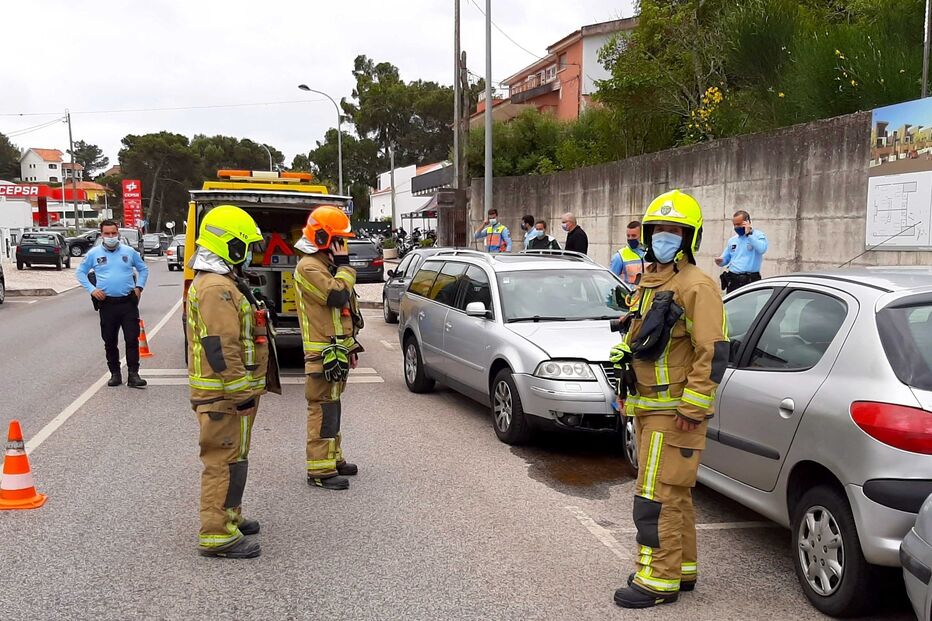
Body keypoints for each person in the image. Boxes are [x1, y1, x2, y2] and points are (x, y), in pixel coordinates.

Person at [609, 190, 728, 609]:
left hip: (673, 412)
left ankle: (658, 580)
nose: (663, 237)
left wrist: (693, 408)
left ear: (689, 237)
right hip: (650, 408)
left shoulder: (697, 286)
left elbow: (712, 353)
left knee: (655, 494)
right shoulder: (654, 279)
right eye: (658, 229)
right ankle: (681, 568)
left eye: (674, 231)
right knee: (675, 494)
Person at [186, 205, 271, 559]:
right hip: (222, 393)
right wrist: (239, 390)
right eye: (246, 246)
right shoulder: (214, 287)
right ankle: (217, 534)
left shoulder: (226, 284)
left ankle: (230, 515)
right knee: (221, 460)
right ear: (230, 246)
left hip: (232, 392)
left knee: (235, 457)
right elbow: (220, 344)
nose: (250, 253)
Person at [294, 206, 364, 491]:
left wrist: (351, 347)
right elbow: (336, 296)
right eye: (339, 240)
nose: (343, 245)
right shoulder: (309, 266)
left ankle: (333, 458)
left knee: (332, 408)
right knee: (322, 409)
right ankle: (319, 471)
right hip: (322, 353)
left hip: (336, 351)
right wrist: (346, 266)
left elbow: (344, 313)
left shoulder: (325, 266)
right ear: (324, 238)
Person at [76, 219, 150, 389]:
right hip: (107, 304)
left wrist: (139, 287)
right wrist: (92, 289)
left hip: (128, 302)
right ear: (101, 234)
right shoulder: (94, 254)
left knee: (132, 338)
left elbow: (143, 269)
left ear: (118, 233)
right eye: (107, 233)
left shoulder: (129, 252)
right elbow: (80, 272)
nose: (110, 236)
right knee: (110, 340)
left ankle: (133, 374)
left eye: (113, 233)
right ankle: (115, 373)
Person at [715, 210, 768, 293]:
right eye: (734, 225)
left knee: (750, 305)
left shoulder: (758, 236)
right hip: (733, 280)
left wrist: (749, 235)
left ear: (747, 222)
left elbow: (762, 249)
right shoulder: (733, 240)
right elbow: (725, 258)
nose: (736, 227)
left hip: (750, 280)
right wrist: (720, 261)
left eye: (739, 224)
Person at [610, 220, 648, 286]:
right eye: (628, 236)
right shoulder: (619, 257)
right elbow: (611, 281)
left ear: (642, 236)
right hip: (629, 295)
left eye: (634, 236)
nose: (630, 238)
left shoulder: (650, 254)